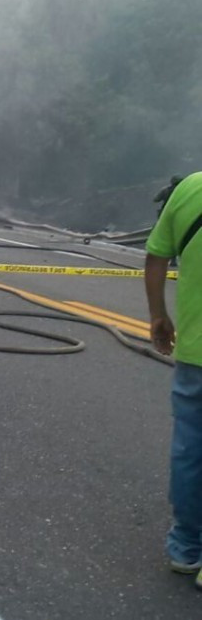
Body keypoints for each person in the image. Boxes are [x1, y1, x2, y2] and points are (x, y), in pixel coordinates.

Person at [145, 172, 202, 586]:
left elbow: (156, 256)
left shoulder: (188, 189)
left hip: (196, 353)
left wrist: (158, 316)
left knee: (190, 450)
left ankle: (185, 546)